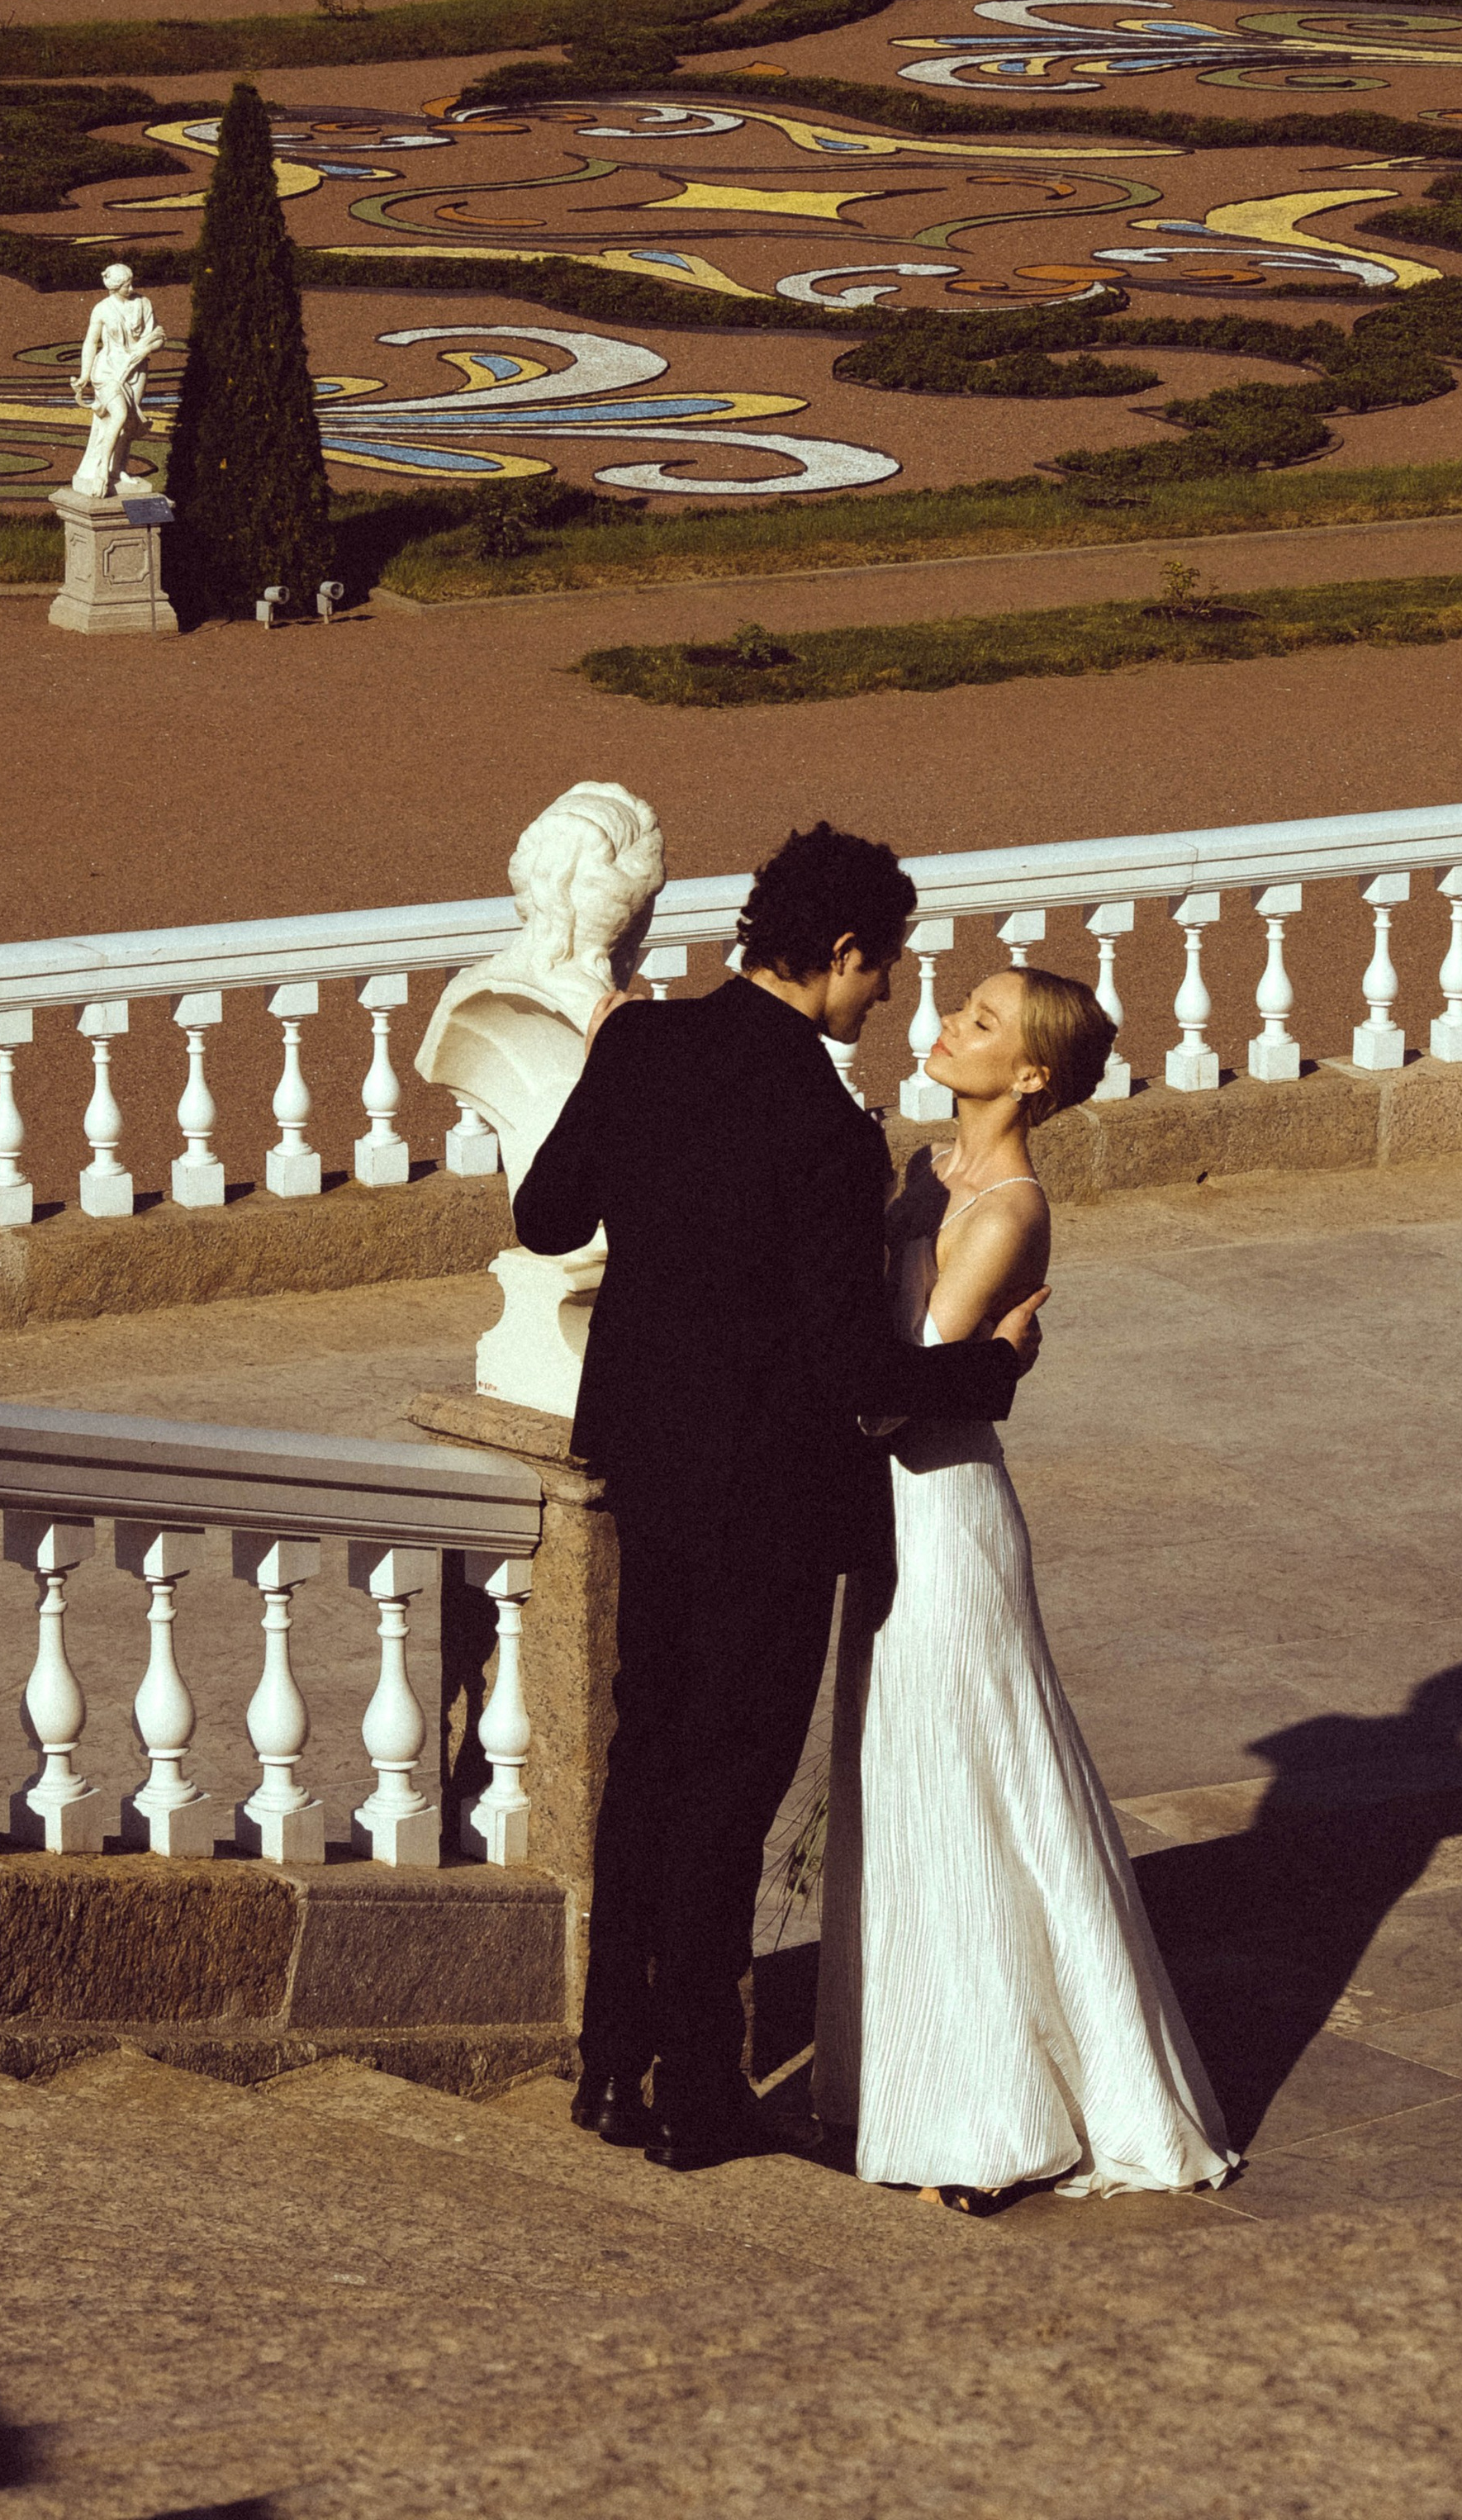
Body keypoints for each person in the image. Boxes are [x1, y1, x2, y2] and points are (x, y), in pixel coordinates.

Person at [514, 822, 1047, 2172]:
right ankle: (697, 2087)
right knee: (727, 1788)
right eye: (886, 971)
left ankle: (608, 2065)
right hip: (767, 1501)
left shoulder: (639, 1047)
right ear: (848, 951)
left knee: (646, 1758)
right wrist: (994, 1368)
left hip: (648, 1465)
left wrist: (605, 1077)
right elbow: (857, 1369)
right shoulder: (823, 1128)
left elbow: (547, 1220)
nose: (884, 998)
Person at [814, 966, 1235, 2209]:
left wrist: (986, 1358)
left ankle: (996, 2117)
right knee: (903, 1784)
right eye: (961, 1009)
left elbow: (894, 1389)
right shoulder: (921, 1178)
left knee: (970, 1788)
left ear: (1034, 1075)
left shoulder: (1004, 1210)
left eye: (983, 1024)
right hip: (895, 1516)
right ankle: (915, 2078)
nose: (949, 1024)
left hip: (946, 1522)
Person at [68, 262, 165, 501]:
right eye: (126, 284)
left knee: (128, 424)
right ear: (114, 287)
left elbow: (159, 337)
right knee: (119, 414)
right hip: (108, 370)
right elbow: (91, 343)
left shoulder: (143, 303)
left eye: (132, 282)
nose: (131, 287)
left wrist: (145, 351)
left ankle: (117, 470)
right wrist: (84, 375)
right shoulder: (102, 309)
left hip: (136, 371)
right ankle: (101, 470)